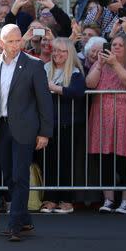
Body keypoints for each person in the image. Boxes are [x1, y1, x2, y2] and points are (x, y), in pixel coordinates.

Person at [0, 24, 53, 242]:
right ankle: (26, 220)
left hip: (25, 129)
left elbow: (44, 101)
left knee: (21, 176)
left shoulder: (34, 65)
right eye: (10, 41)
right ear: (0, 42)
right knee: (10, 176)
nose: (15, 45)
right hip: (0, 128)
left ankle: (15, 225)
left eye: (18, 40)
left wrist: (44, 133)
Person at [85, 34, 126, 214]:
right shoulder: (102, 66)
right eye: (113, 44)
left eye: (120, 45)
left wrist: (114, 64)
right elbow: (89, 83)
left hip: (125, 120)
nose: (116, 48)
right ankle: (108, 199)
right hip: (102, 120)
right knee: (104, 160)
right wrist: (99, 64)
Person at [41, 38, 86, 214]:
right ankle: (50, 199)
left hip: (69, 124)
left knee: (66, 163)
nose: (57, 54)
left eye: (61, 51)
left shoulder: (75, 72)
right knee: (49, 163)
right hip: (48, 125)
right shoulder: (45, 69)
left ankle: (66, 200)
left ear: (69, 54)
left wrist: (55, 88)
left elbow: (77, 92)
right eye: (55, 50)